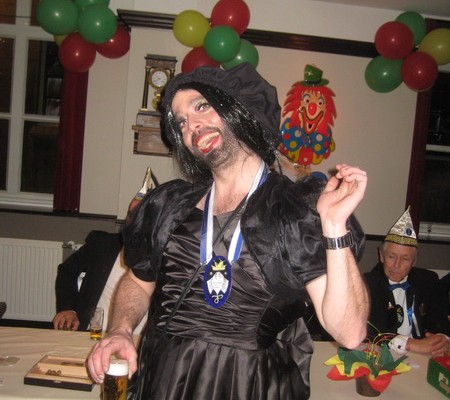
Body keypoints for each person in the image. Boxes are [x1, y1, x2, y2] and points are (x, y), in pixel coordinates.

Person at [87, 63, 369, 400]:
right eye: (181, 121)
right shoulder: (168, 205)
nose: (191, 126)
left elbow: (350, 333)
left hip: (248, 385)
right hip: (162, 381)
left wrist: (334, 226)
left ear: (240, 109)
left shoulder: (296, 212)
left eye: (201, 106)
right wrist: (120, 329)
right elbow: (138, 281)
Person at [52, 167, 156, 334]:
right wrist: (68, 309)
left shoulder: (166, 256)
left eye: (140, 216)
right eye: (130, 214)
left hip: (140, 341)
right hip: (94, 334)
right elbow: (67, 270)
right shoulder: (103, 244)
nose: (132, 221)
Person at [364, 207, 450, 357]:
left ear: (414, 261)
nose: (396, 265)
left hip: (424, 357)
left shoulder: (429, 281)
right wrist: (410, 344)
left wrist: (442, 339)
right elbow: (370, 332)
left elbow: (440, 321)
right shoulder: (366, 284)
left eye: (405, 259)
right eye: (391, 257)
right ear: (381, 255)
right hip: (382, 357)